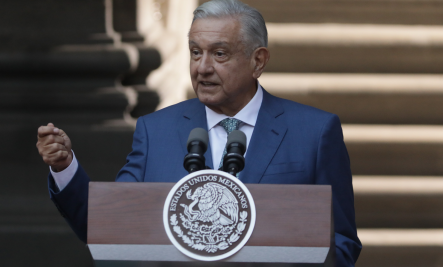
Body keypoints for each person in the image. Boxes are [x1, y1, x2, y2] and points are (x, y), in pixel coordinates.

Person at [36, 0, 361, 265]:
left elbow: (342, 244)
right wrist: (66, 170)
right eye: (195, 52)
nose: (202, 67)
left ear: (257, 61)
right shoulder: (155, 130)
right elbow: (112, 227)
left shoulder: (315, 132)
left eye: (219, 54)